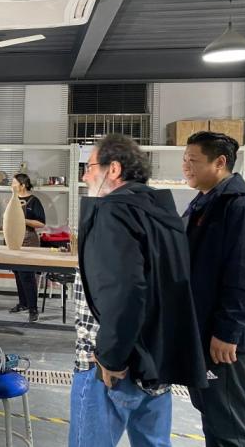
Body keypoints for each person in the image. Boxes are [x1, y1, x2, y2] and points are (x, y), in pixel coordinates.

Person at [70, 133, 207, 447]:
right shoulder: (162, 212)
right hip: (155, 363)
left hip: (111, 367)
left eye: (90, 167)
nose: (85, 176)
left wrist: (111, 358)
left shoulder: (112, 212)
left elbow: (124, 292)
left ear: (114, 169)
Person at [182, 131, 245, 446]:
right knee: (214, 413)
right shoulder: (205, 202)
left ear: (220, 162)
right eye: (185, 159)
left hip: (223, 337)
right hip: (206, 329)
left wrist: (228, 331)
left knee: (229, 423)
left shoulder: (241, 208)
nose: (186, 167)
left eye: (193, 160)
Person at [8, 173, 45, 322]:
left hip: (29, 239)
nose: (11, 185)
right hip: (14, 239)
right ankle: (23, 303)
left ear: (22, 185)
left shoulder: (34, 201)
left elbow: (41, 223)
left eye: (14, 183)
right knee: (17, 273)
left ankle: (33, 309)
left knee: (27, 276)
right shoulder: (13, 200)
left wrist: (23, 220)